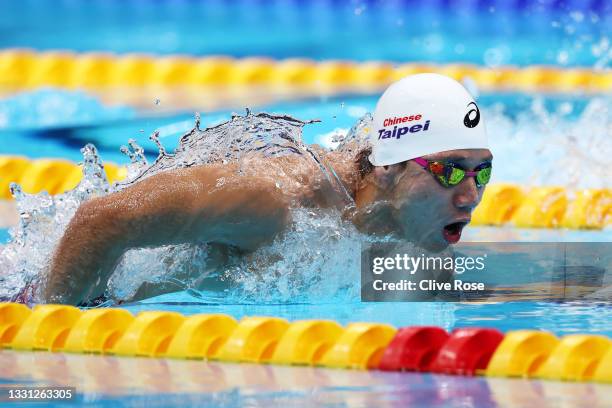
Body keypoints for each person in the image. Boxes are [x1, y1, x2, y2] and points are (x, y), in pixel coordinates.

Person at [43, 73, 493, 305]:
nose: (470, 196)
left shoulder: (412, 233)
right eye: (450, 171)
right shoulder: (280, 200)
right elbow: (103, 219)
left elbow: (545, 278)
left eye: (482, 173)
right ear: (390, 168)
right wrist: (49, 332)